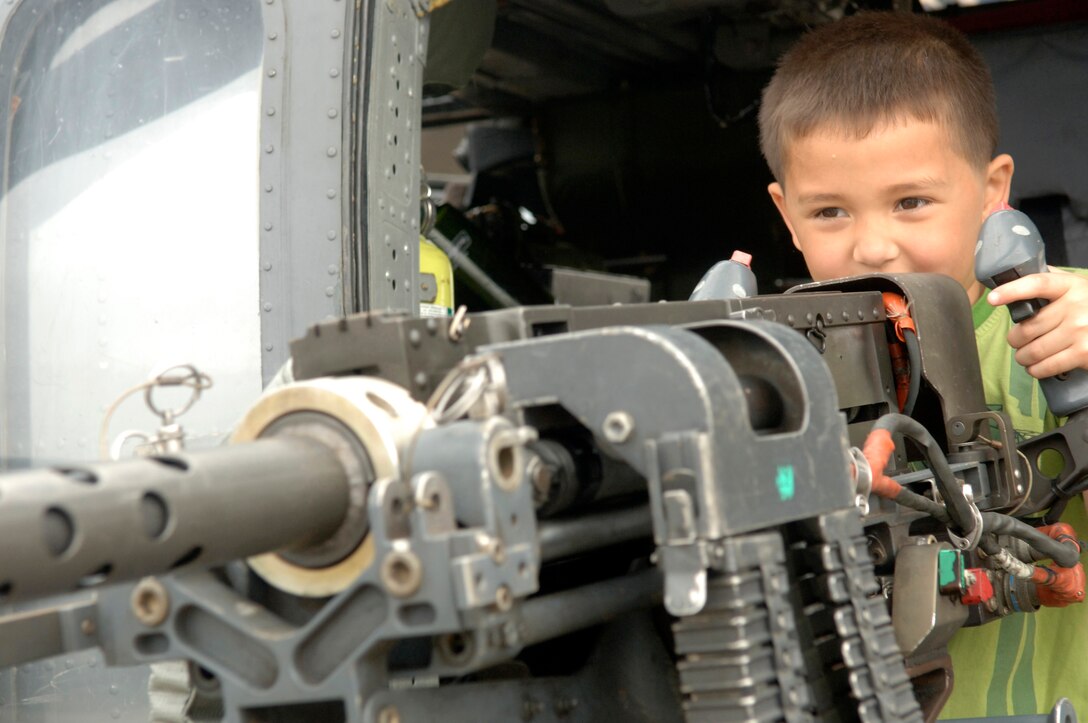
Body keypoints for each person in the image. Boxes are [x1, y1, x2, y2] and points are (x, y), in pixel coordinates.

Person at [756, 10, 1088, 719]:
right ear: (785, 214)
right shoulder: (768, 372)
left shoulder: (1064, 329)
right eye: (830, 213)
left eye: (911, 202)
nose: (873, 246)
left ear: (994, 190)